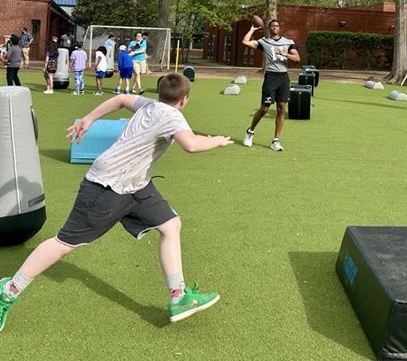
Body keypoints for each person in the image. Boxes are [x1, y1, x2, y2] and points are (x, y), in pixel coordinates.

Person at [0, 73, 233, 332]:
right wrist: (217, 141)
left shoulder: (149, 105)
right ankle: (8, 291)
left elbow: (121, 98)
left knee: (170, 225)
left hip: (136, 185)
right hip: (106, 187)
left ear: (160, 93)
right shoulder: (172, 115)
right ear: (184, 99)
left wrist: (88, 118)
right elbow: (190, 144)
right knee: (64, 243)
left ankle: (178, 296)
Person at [241, 18, 300, 151]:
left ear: (279, 28)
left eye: (277, 25)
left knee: (281, 108)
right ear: (269, 28)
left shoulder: (288, 42)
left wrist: (285, 54)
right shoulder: (264, 42)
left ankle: (276, 140)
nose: (275, 27)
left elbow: (297, 58)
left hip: (283, 77)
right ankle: (250, 132)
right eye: (272, 25)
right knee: (264, 108)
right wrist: (252, 29)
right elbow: (245, 42)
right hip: (271, 77)